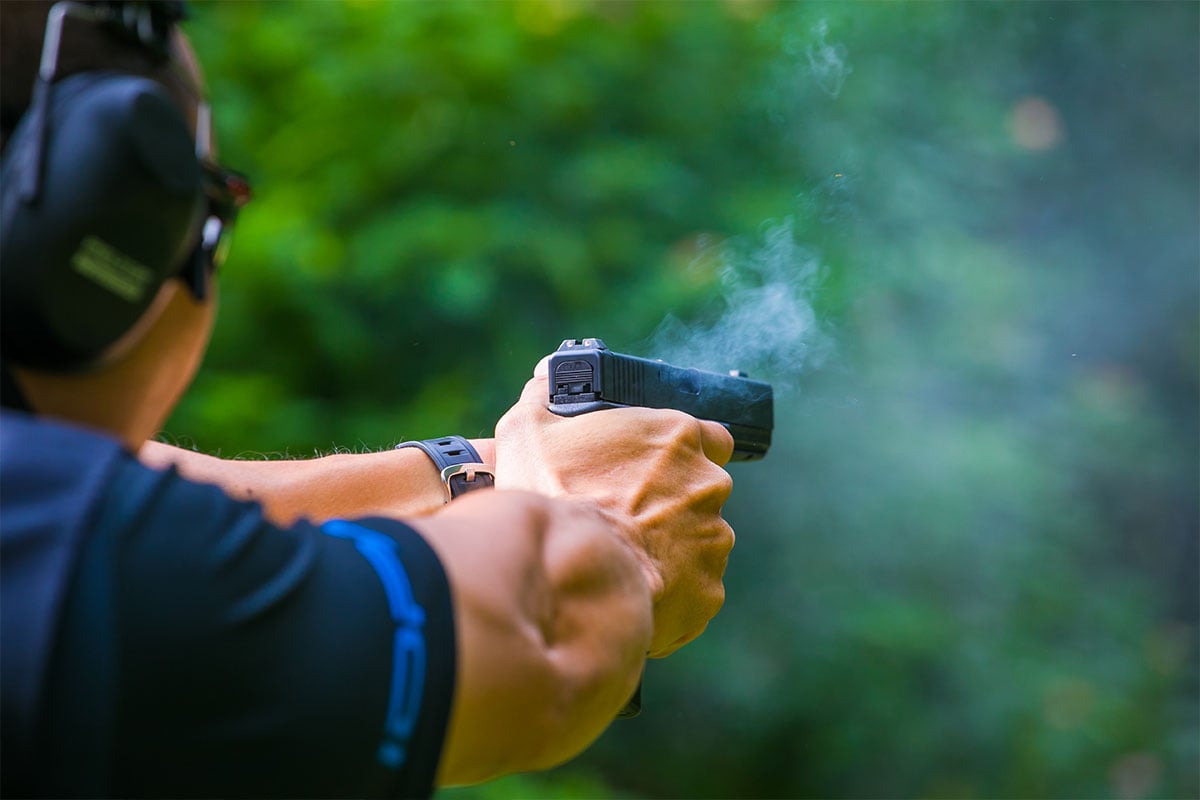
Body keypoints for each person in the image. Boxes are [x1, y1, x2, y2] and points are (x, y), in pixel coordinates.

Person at [0, 2, 737, 798]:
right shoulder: (87, 565)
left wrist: (485, 470)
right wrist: (621, 536)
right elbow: (546, 644)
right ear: (98, 241)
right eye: (204, 209)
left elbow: (160, 497)